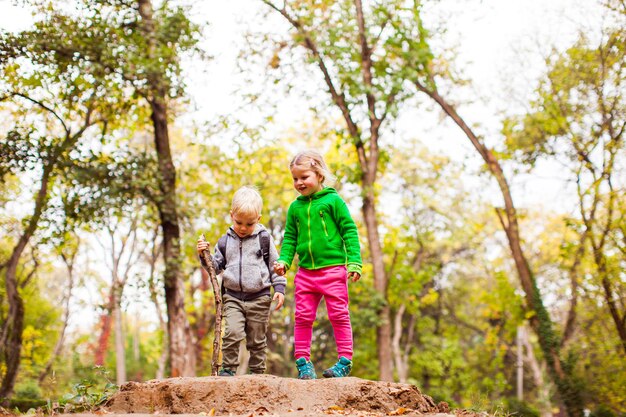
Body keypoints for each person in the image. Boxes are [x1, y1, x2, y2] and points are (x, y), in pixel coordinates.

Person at [274, 150, 362, 379]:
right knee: (302, 316)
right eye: (295, 178)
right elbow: (290, 238)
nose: (299, 183)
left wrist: (354, 261)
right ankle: (303, 362)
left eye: (304, 177)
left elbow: (349, 230)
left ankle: (344, 361)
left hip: (333, 269)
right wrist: (284, 260)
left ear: (319, 175)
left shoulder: (334, 201)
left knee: (339, 314)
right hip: (305, 273)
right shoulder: (295, 208)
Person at [197, 186, 286, 376]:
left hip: (259, 297)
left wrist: (279, 287)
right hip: (233, 297)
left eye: (249, 223)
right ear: (231, 215)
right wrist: (203, 255)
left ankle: (257, 372)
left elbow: (275, 265)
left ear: (258, 219)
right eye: (239, 222)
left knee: (257, 338)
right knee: (232, 334)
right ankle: (228, 369)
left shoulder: (264, 239)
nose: (243, 228)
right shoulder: (224, 242)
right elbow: (216, 267)